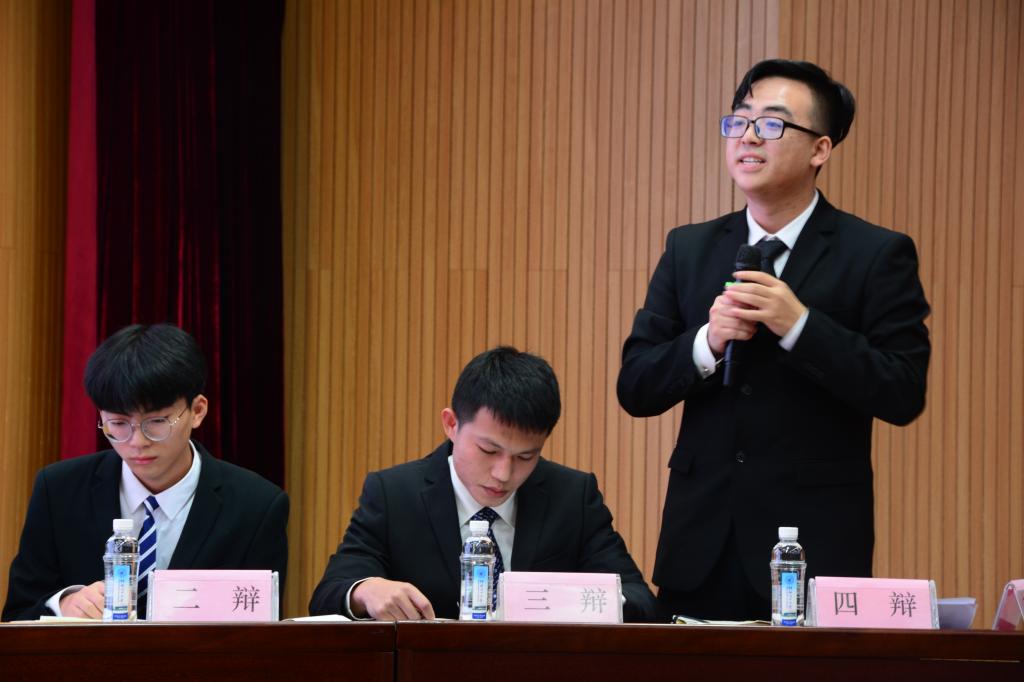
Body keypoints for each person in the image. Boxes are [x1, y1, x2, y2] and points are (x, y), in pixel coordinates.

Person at [617, 59, 931, 621]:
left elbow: (902, 390)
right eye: (739, 121)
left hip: (816, 549)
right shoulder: (689, 248)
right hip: (701, 549)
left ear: (820, 149)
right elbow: (636, 386)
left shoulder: (875, 253)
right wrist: (707, 342)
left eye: (772, 124)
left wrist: (800, 326)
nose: (748, 137)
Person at [310, 346, 658, 622]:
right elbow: (330, 593)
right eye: (489, 450)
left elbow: (640, 601)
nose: (503, 474)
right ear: (451, 424)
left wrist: (562, 600)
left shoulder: (572, 497)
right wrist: (365, 590)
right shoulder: (394, 494)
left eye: (526, 456)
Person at [3, 323, 289, 621]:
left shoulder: (256, 506)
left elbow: (263, 629)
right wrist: (63, 604)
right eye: (118, 424)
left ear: (197, 411)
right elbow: (17, 614)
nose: (137, 441)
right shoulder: (59, 490)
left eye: (156, 422)